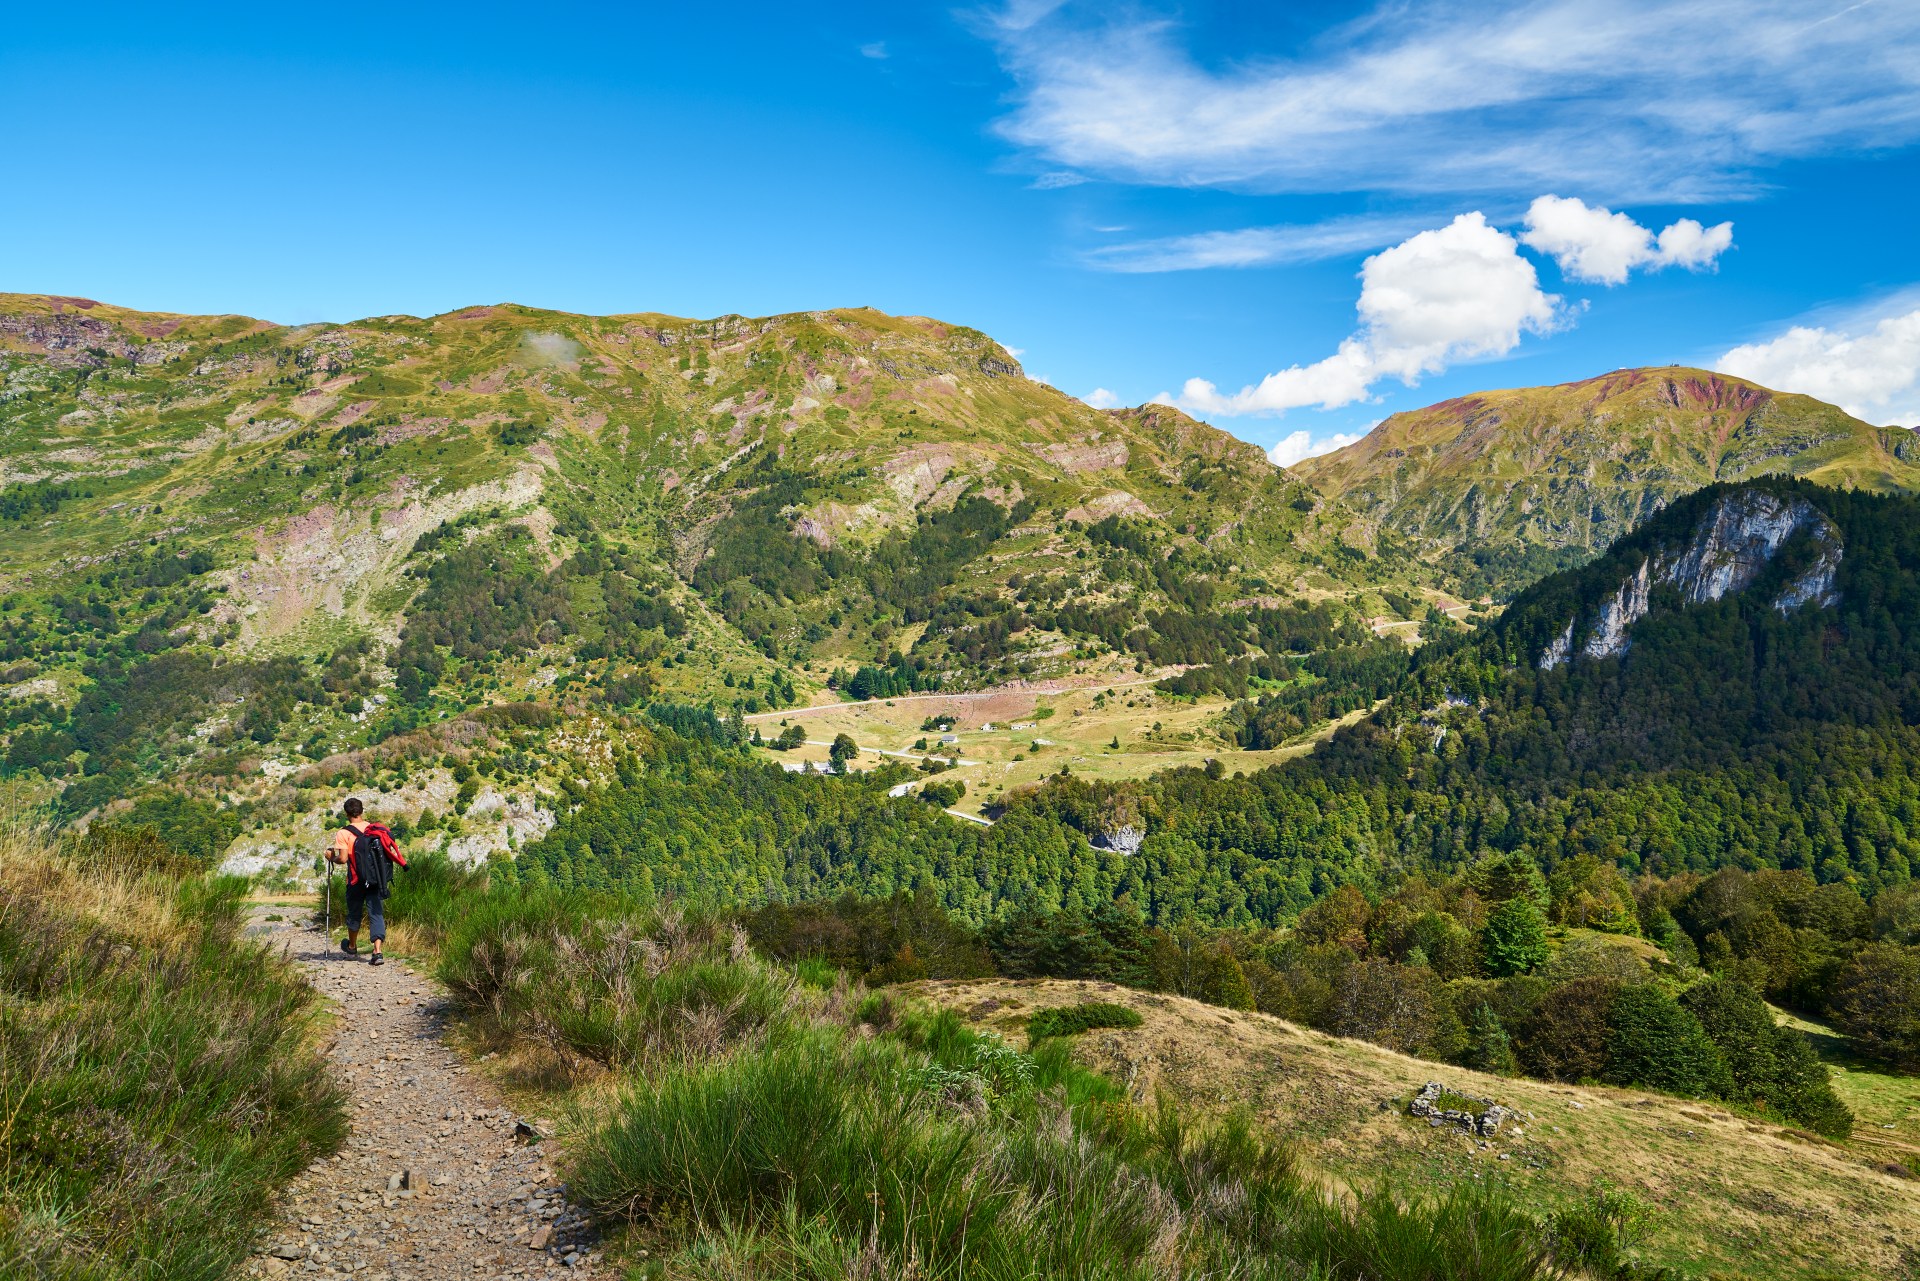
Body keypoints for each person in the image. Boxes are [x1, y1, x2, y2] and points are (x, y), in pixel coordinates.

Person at [326, 797, 404, 965]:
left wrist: (331, 857)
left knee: (354, 912)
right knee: (376, 912)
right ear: (361, 811)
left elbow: (343, 859)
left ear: (347, 813)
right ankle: (377, 952)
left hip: (356, 880)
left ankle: (352, 948)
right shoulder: (373, 829)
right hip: (375, 878)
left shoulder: (344, 833)